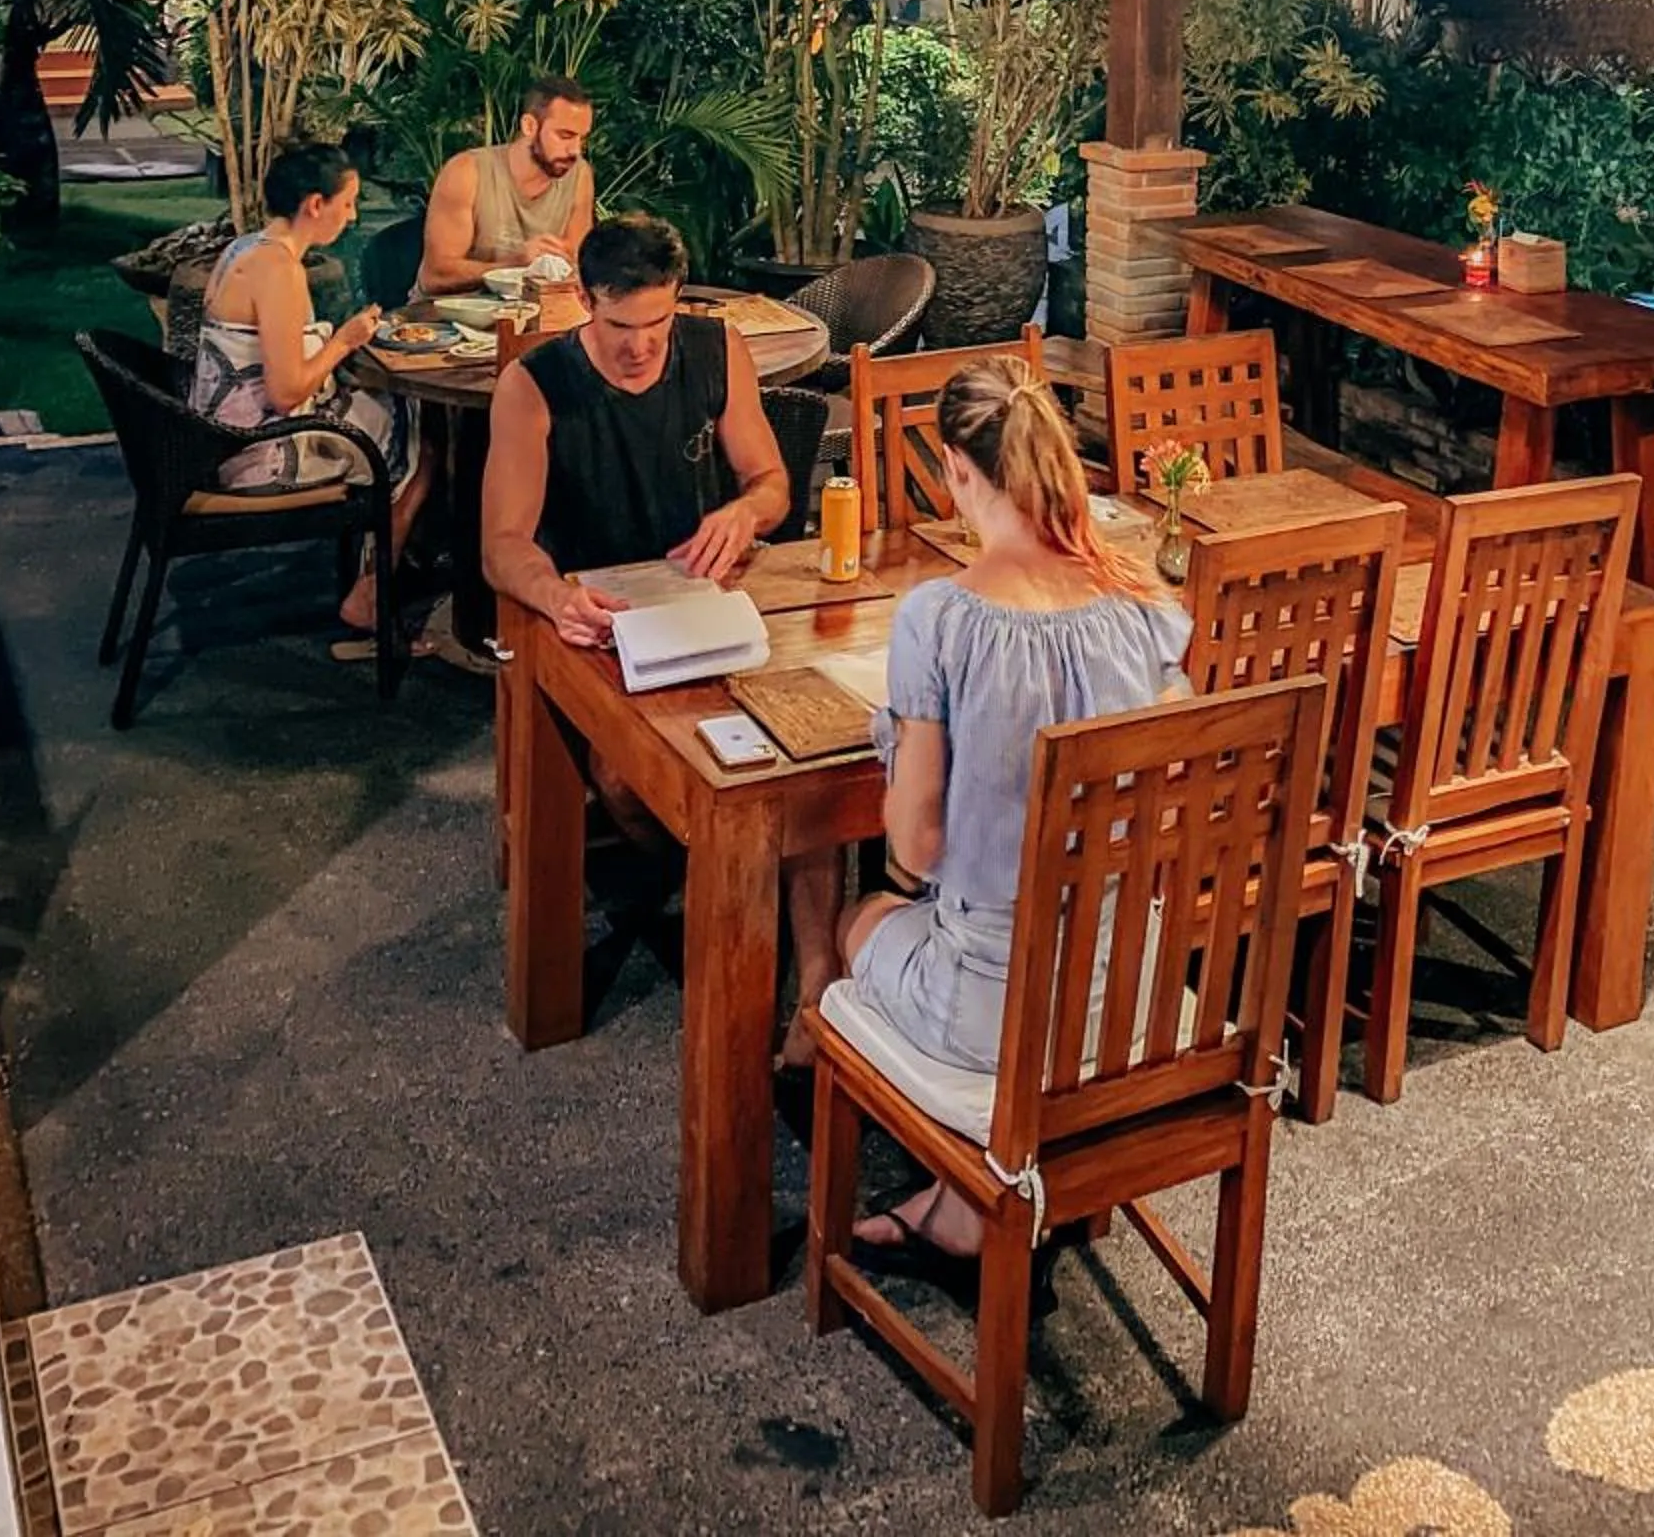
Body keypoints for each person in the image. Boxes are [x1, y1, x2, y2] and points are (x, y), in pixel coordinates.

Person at [816, 355, 1190, 1275]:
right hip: (1128, 993)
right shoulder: (1143, 603)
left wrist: (900, 750)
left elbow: (915, 846)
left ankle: (974, 1184)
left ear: (957, 471)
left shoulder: (939, 619)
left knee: (859, 922)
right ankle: (966, 1202)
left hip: (999, 1018)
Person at [480, 215, 838, 985]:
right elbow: (502, 545)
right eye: (619, 325)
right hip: (602, 620)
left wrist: (743, 515)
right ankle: (724, 878)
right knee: (626, 781)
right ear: (583, 298)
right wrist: (556, 595)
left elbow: (771, 484)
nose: (641, 344)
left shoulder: (717, 351)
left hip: (713, 599)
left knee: (814, 746)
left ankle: (809, 975)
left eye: (658, 322)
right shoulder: (535, 385)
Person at [191, 142, 434, 647]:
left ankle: (383, 568)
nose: (354, 215)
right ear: (315, 205)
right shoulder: (279, 271)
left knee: (397, 414)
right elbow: (285, 393)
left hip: (216, 434)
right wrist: (344, 341)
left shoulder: (246, 248)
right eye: (348, 203)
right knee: (425, 443)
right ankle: (371, 591)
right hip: (259, 452)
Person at [418, 75, 596, 295]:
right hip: (447, 318)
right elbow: (434, 278)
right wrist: (516, 264)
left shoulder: (579, 176)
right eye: (565, 136)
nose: (575, 150)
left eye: (582, 139)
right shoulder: (467, 172)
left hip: (533, 318)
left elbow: (577, 266)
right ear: (529, 126)